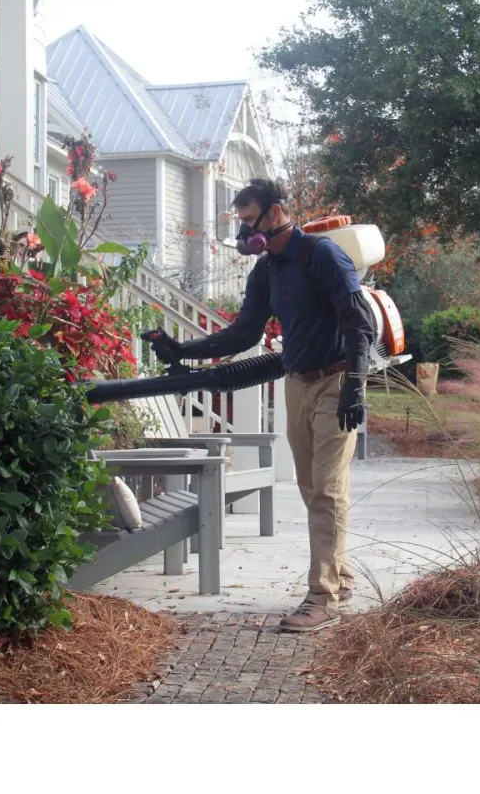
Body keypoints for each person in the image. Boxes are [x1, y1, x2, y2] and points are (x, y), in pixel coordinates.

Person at [144, 178, 377, 633]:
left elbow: (359, 320)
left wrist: (355, 384)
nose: (244, 232)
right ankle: (341, 577)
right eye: (240, 223)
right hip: (297, 383)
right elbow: (243, 334)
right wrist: (182, 350)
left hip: (335, 380)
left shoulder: (322, 255)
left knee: (327, 490)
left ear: (275, 213)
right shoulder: (266, 271)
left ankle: (321, 596)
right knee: (314, 489)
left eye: (249, 221)